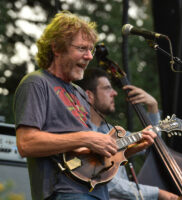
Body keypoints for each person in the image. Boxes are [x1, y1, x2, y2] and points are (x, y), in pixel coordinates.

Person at [13, 11, 157, 200]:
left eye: (91, 50)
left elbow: (88, 156)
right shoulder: (36, 83)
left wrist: (130, 149)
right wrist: (85, 137)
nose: (89, 56)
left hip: (97, 191)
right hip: (63, 193)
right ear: (56, 48)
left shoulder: (79, 93)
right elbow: (26, 143)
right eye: (82, 48)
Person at [77, 68, 180, 200]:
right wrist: (158, 194)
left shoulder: (112, 132)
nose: (114, 93)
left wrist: (153, 107)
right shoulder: (80, 133)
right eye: (107, 88)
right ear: (89, 96)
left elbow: (155, 148)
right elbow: (106, 183)